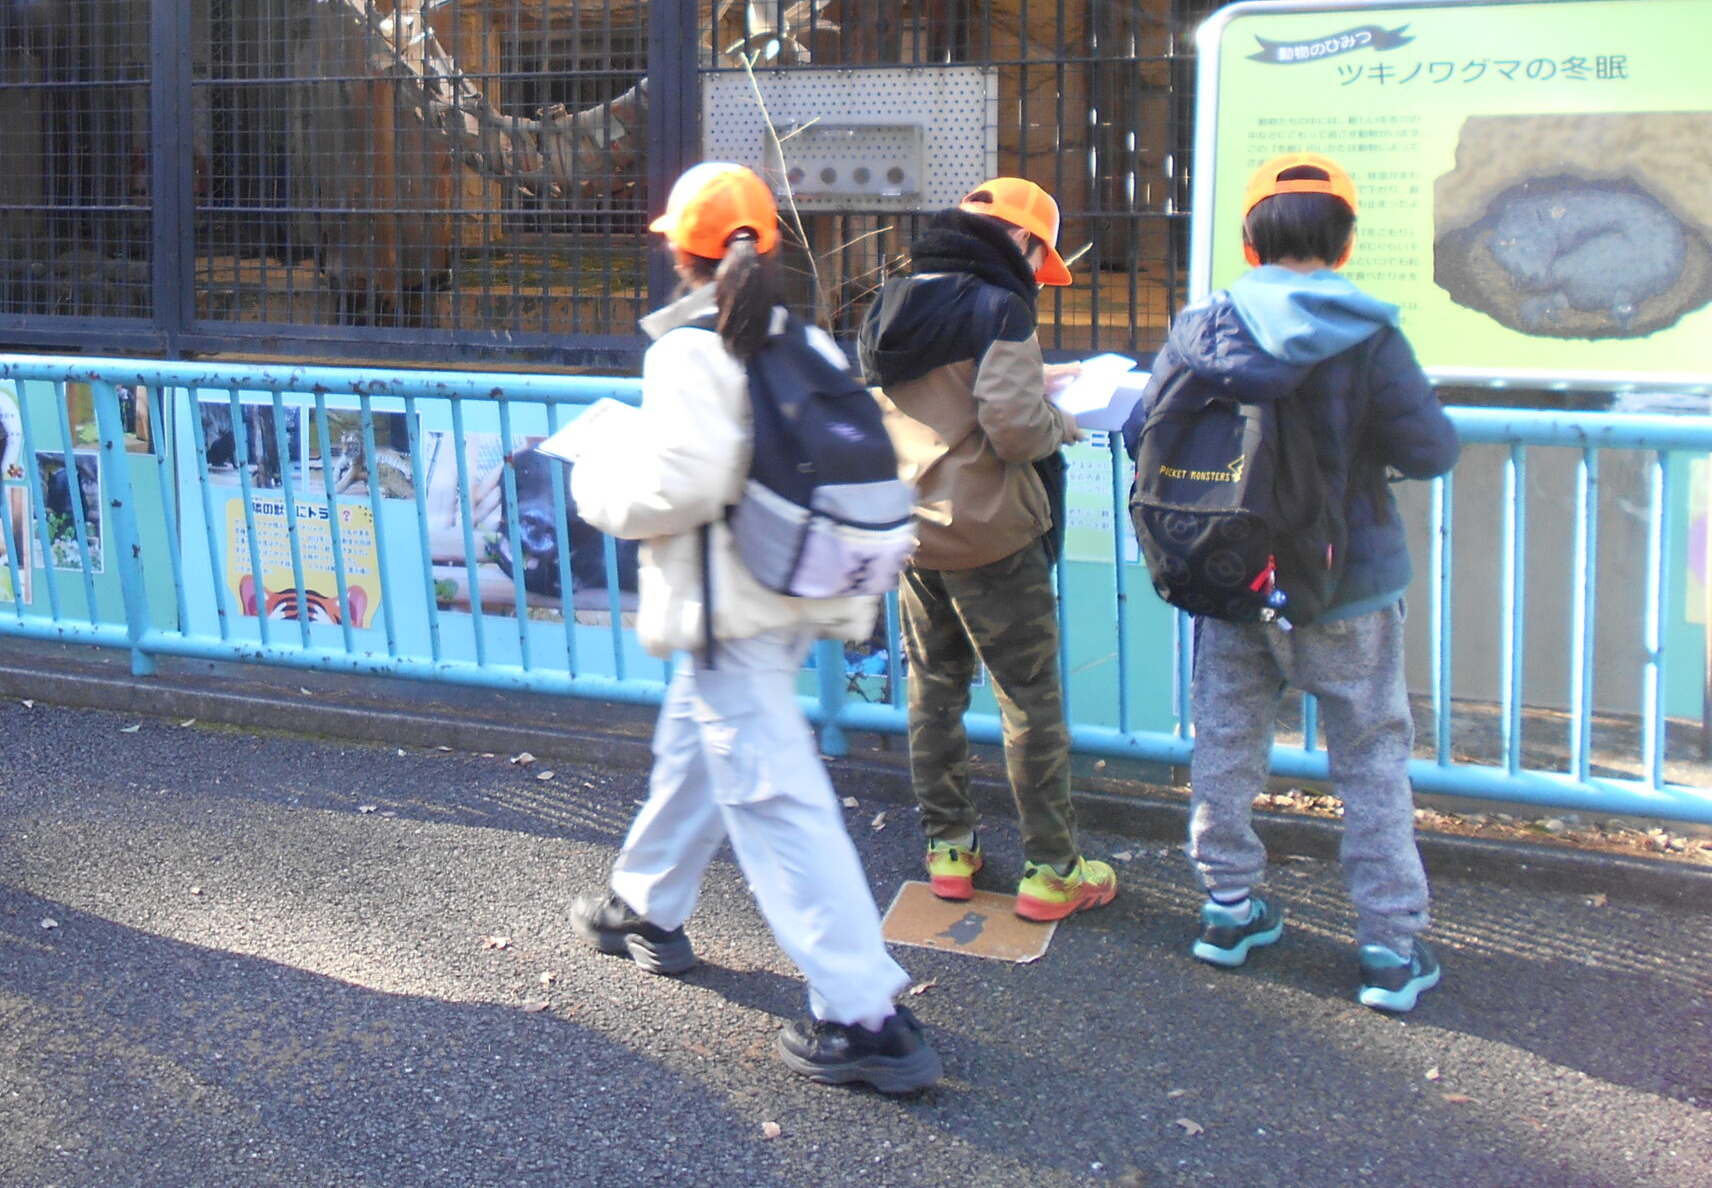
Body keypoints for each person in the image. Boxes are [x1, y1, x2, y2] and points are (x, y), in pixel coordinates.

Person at [562, 163, 939, 1096]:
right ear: (767, 245)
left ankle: (862, 1016)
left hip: (729, 603)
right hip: (786, 589)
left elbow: (682, 485)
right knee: (697, 746)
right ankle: (644, 904)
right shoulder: (795, 337)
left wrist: (593, 475)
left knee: (774, 798)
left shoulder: (692, 350)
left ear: (678, 252)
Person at [1124, 156, 1459, 1012]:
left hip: (1233, 573)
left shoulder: (1202, 329)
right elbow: (1430, 450)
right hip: (1348, 585)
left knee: (1227, 744)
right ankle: (1389, 949)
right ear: (1346, 244)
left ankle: (1227, 910)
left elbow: (1140, 433)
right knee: (1371, 758)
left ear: (1249, 242)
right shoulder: (1369, 334)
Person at [858, 177, 1117, 923]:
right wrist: (1064, 421)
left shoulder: (893, 300)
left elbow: (940, 394)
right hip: (994, 536)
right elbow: (1014, 430)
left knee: (933, 690)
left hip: (914, 532)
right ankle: (1052, 870)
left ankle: (948, 849)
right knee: (1028, 701)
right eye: (1040, 256)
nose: (1036, 272)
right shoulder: (1002, 306)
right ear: (1026, 241)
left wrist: (1034, 379)